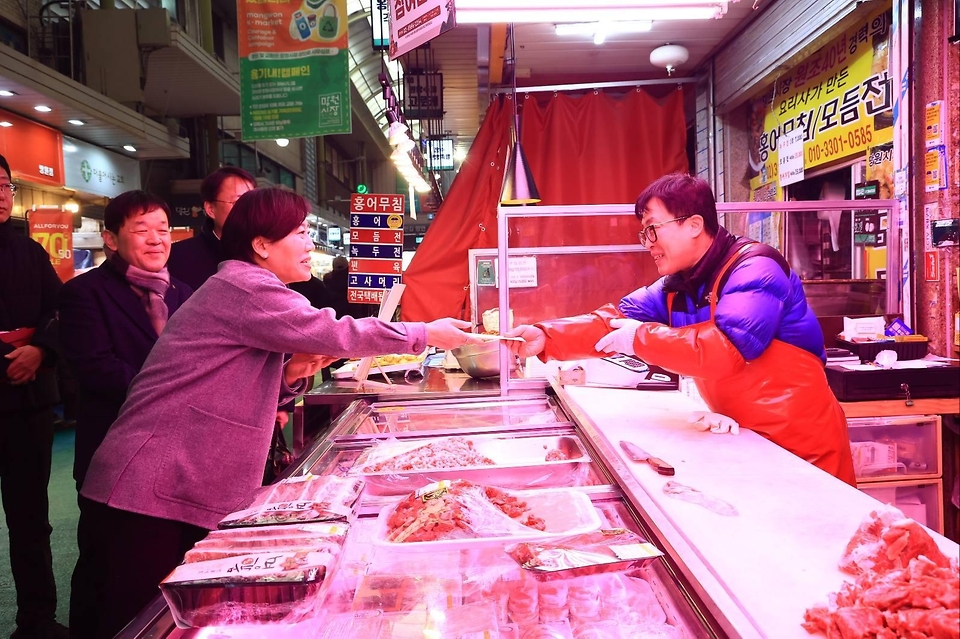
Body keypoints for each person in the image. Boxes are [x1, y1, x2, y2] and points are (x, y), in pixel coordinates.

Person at [76, 187, 481, 637]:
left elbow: (244, 383)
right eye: (300, 232)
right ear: (261, 245)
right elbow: (333, 330)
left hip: (176, 480)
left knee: (169, 616)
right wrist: (425, 332)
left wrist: (292, 375)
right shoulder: (244, 286)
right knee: (137, 620)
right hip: (149, 481)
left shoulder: (250, 289)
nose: (310, 244)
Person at [506, 173, 856, 486]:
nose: (648, 243)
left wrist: (640, 338)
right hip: (743, 438)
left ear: (693, 225)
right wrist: (546, 336)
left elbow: (726, 350)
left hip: (804, 446)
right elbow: (612, 322)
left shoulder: (756, 269)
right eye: (644, 233)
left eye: (653, 229)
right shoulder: (678, 285)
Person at [58, 191, 193, 638]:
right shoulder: (83, 294)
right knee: (106, 571)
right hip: (114, 458)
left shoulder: (188, 294)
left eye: (163, 229)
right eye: (142, 230)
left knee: (169, 569)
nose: (157, 240)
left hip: (180, 458)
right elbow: (96, 367)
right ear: (110, 239)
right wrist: (177, 391)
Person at [0, 154, 68, 639]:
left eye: (4, 185)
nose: (0, 194)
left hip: (29, 402)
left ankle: (37, 620)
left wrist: (40, 350)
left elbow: (60, 311)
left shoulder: (30, 251)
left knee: (31, 517)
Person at [166, 165, 256, 291]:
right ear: (210, 209)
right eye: (238, 202)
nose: (248, 210)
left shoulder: (268, 253)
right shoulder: (177, 257)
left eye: (252, 202)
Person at [323, 255, 370, 319]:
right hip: (355, 315)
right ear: (347, 265)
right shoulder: (354, 279)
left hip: (335, 317)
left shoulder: (328, 280)